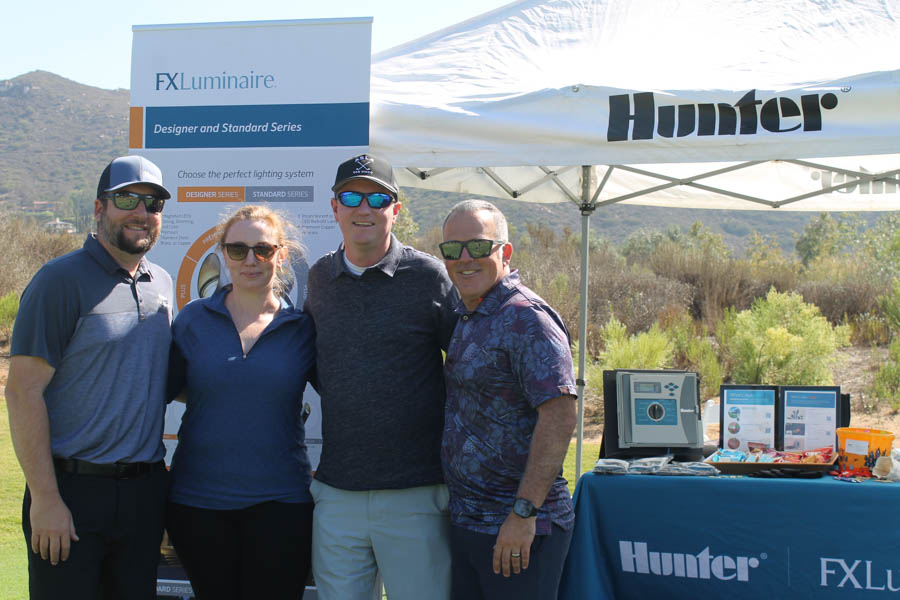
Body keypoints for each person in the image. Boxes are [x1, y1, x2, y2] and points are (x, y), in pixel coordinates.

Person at [4, 155, 173, 599]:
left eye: (153, 203)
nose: (141, 212)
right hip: (71, 493)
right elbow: (22, 392)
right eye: (127, 200)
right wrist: (46, 499)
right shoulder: (58, 281)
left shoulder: (161, 284)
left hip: (143, 494)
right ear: (99, 208)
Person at [304, 153, 459, 600]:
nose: (364, 208)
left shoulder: (428, 276)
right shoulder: (319, 278)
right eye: (351, 197)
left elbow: (465, 366)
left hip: (416, 493)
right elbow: (318, 365)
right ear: (334, 207)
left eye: (378, 198)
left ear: (396, 209)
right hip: (338, 492)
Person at [165, 205, 316, 599]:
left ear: (281, 255)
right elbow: (168, 389)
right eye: (238, 249)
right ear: (223, 254)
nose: (251, 260)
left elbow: (346, 394)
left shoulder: (302, 328)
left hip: (282, 504)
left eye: (263, 249)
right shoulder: (192, 320)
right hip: (198, 504)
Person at [439, 199, 578, 600]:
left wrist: (523, 513)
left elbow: (560, 418)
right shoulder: (470, 315)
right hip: (470, 521)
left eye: (478, 246)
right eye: (453, 249)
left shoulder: (527, 319)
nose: (465, 258)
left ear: (506, 252)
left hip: (519, 528)